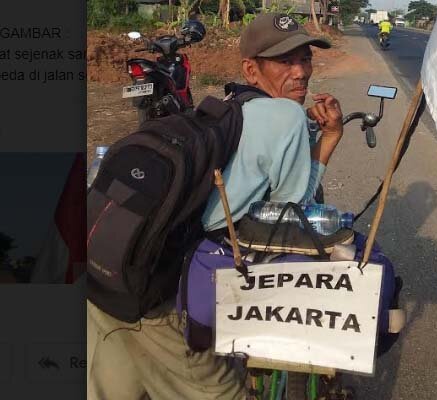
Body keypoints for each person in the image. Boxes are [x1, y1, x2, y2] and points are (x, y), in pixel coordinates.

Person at [87, 13, 343, 399]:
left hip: (108, 277)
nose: (301, 71)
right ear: (250, 69)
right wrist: (329, 140)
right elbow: (291, 218)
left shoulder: (223, 104)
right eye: (285, 60)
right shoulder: (287, 115)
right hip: (165, 299)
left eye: (305, 58)